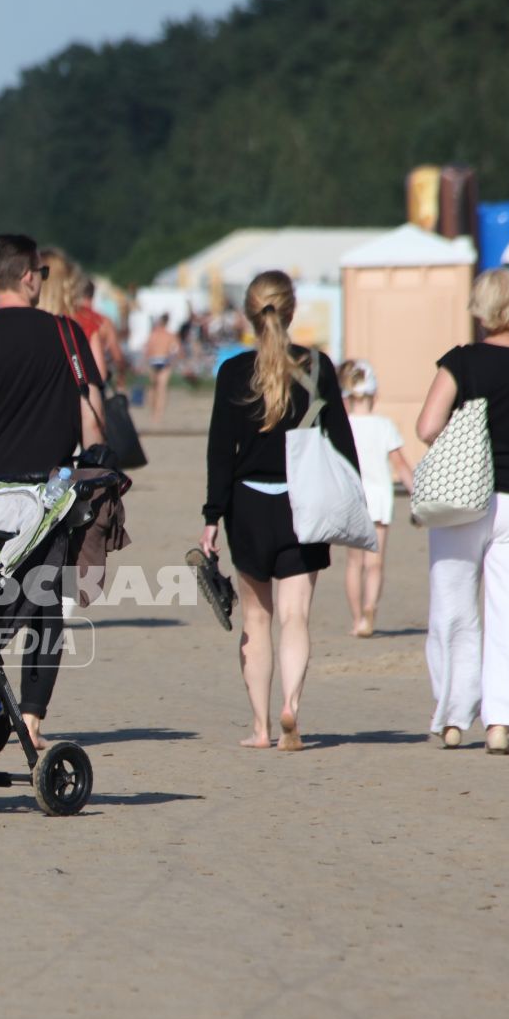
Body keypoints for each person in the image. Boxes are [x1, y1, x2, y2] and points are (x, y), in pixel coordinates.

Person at [0, 234, 106, 750]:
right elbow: (93, 429)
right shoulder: (67, 334)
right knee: (43, 605)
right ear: (30, 275)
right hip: (50, 494)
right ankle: (31, 720)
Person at [199, 270, 359, 752]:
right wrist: (351, 501)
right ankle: (291, 703)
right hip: (303, 504)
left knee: (256, 621)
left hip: (248, 505)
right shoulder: (319, 367)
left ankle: (262, 727)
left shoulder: (232, 372)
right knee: (295, 618)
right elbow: (342, 444)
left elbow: (218, 452)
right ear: (292, 310)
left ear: (249, 315)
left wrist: (212, 517)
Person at [417, 268, 509, 755]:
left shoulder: (462, 362)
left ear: (480, 309)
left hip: (464, 497)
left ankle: (453, 718)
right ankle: (503, 721)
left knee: (453, 607)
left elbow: (427, 427)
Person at [339, 360, 414, 637]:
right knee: (375, 562)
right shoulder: (385, 426)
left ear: (347, 396)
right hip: (380, 499)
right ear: (375, 395)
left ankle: (357, 618)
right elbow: (401, 466)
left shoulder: (342, 426)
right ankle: (371, 608)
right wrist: (419, 496)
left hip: (351, 499)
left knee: (353, 563)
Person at [145, 313, 182, 424]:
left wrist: (145, 362)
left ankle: (152, 411)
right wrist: (174, 360)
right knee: (162, 389)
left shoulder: (153, 334)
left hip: (153, 360)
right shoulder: (170, 335)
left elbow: (147, 349)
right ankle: (158, 415)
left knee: (152, 387)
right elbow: (177, 350)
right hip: (164, 360)